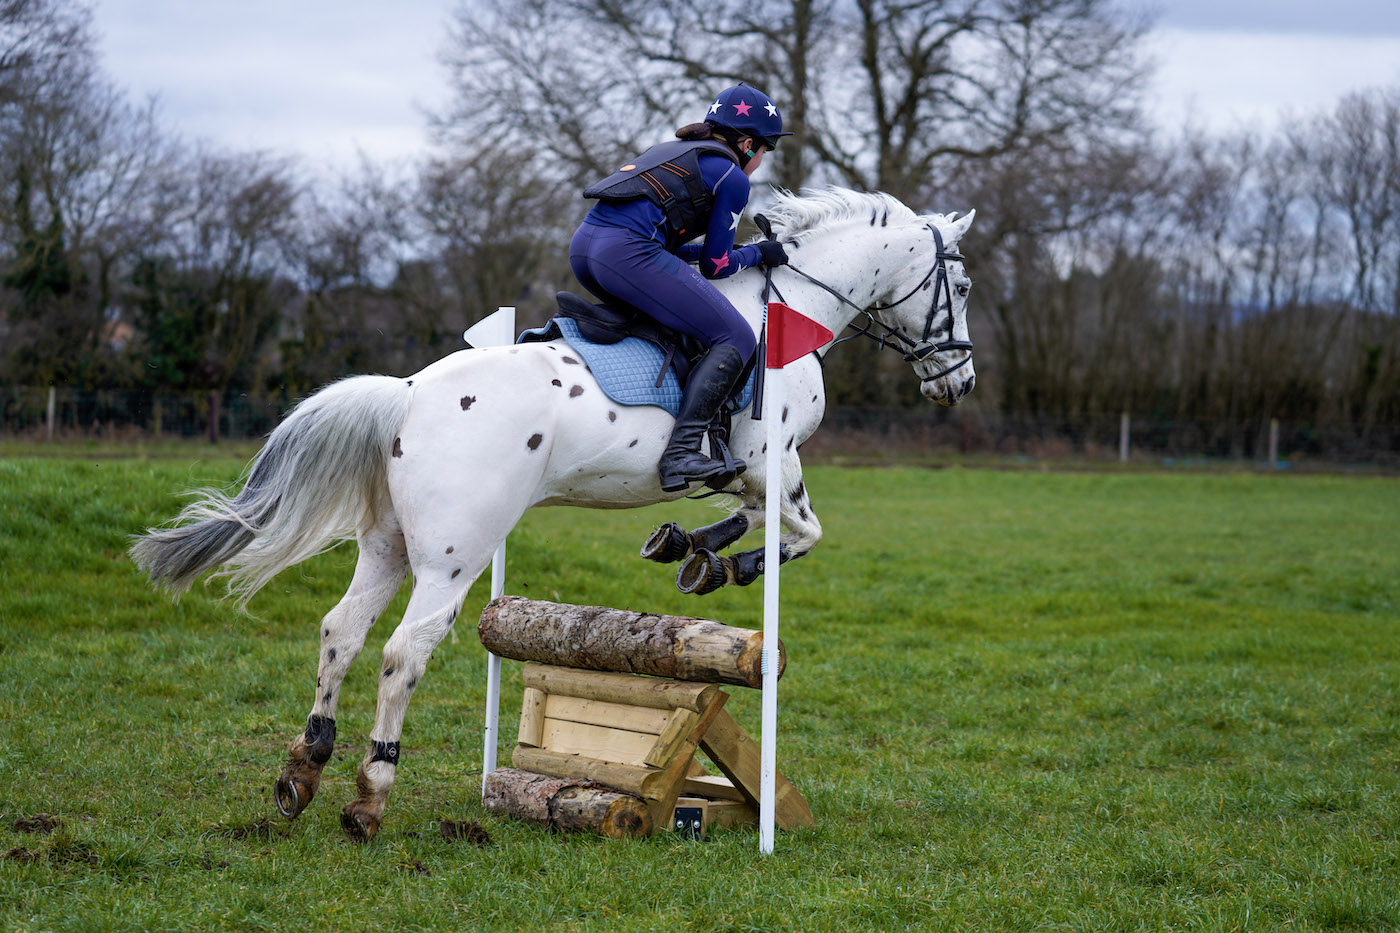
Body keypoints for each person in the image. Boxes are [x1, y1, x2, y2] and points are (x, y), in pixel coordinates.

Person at [571, 84, 792, 492]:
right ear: (747, 144)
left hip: (585, 250)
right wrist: (759, 254)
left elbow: (674, 247)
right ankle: (681, 452)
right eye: (767, 150)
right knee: (736, 335)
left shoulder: (671, 151)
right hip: (627, 255)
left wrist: (743, 250)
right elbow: (716, 265)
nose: (763, 160)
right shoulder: (732, 176)